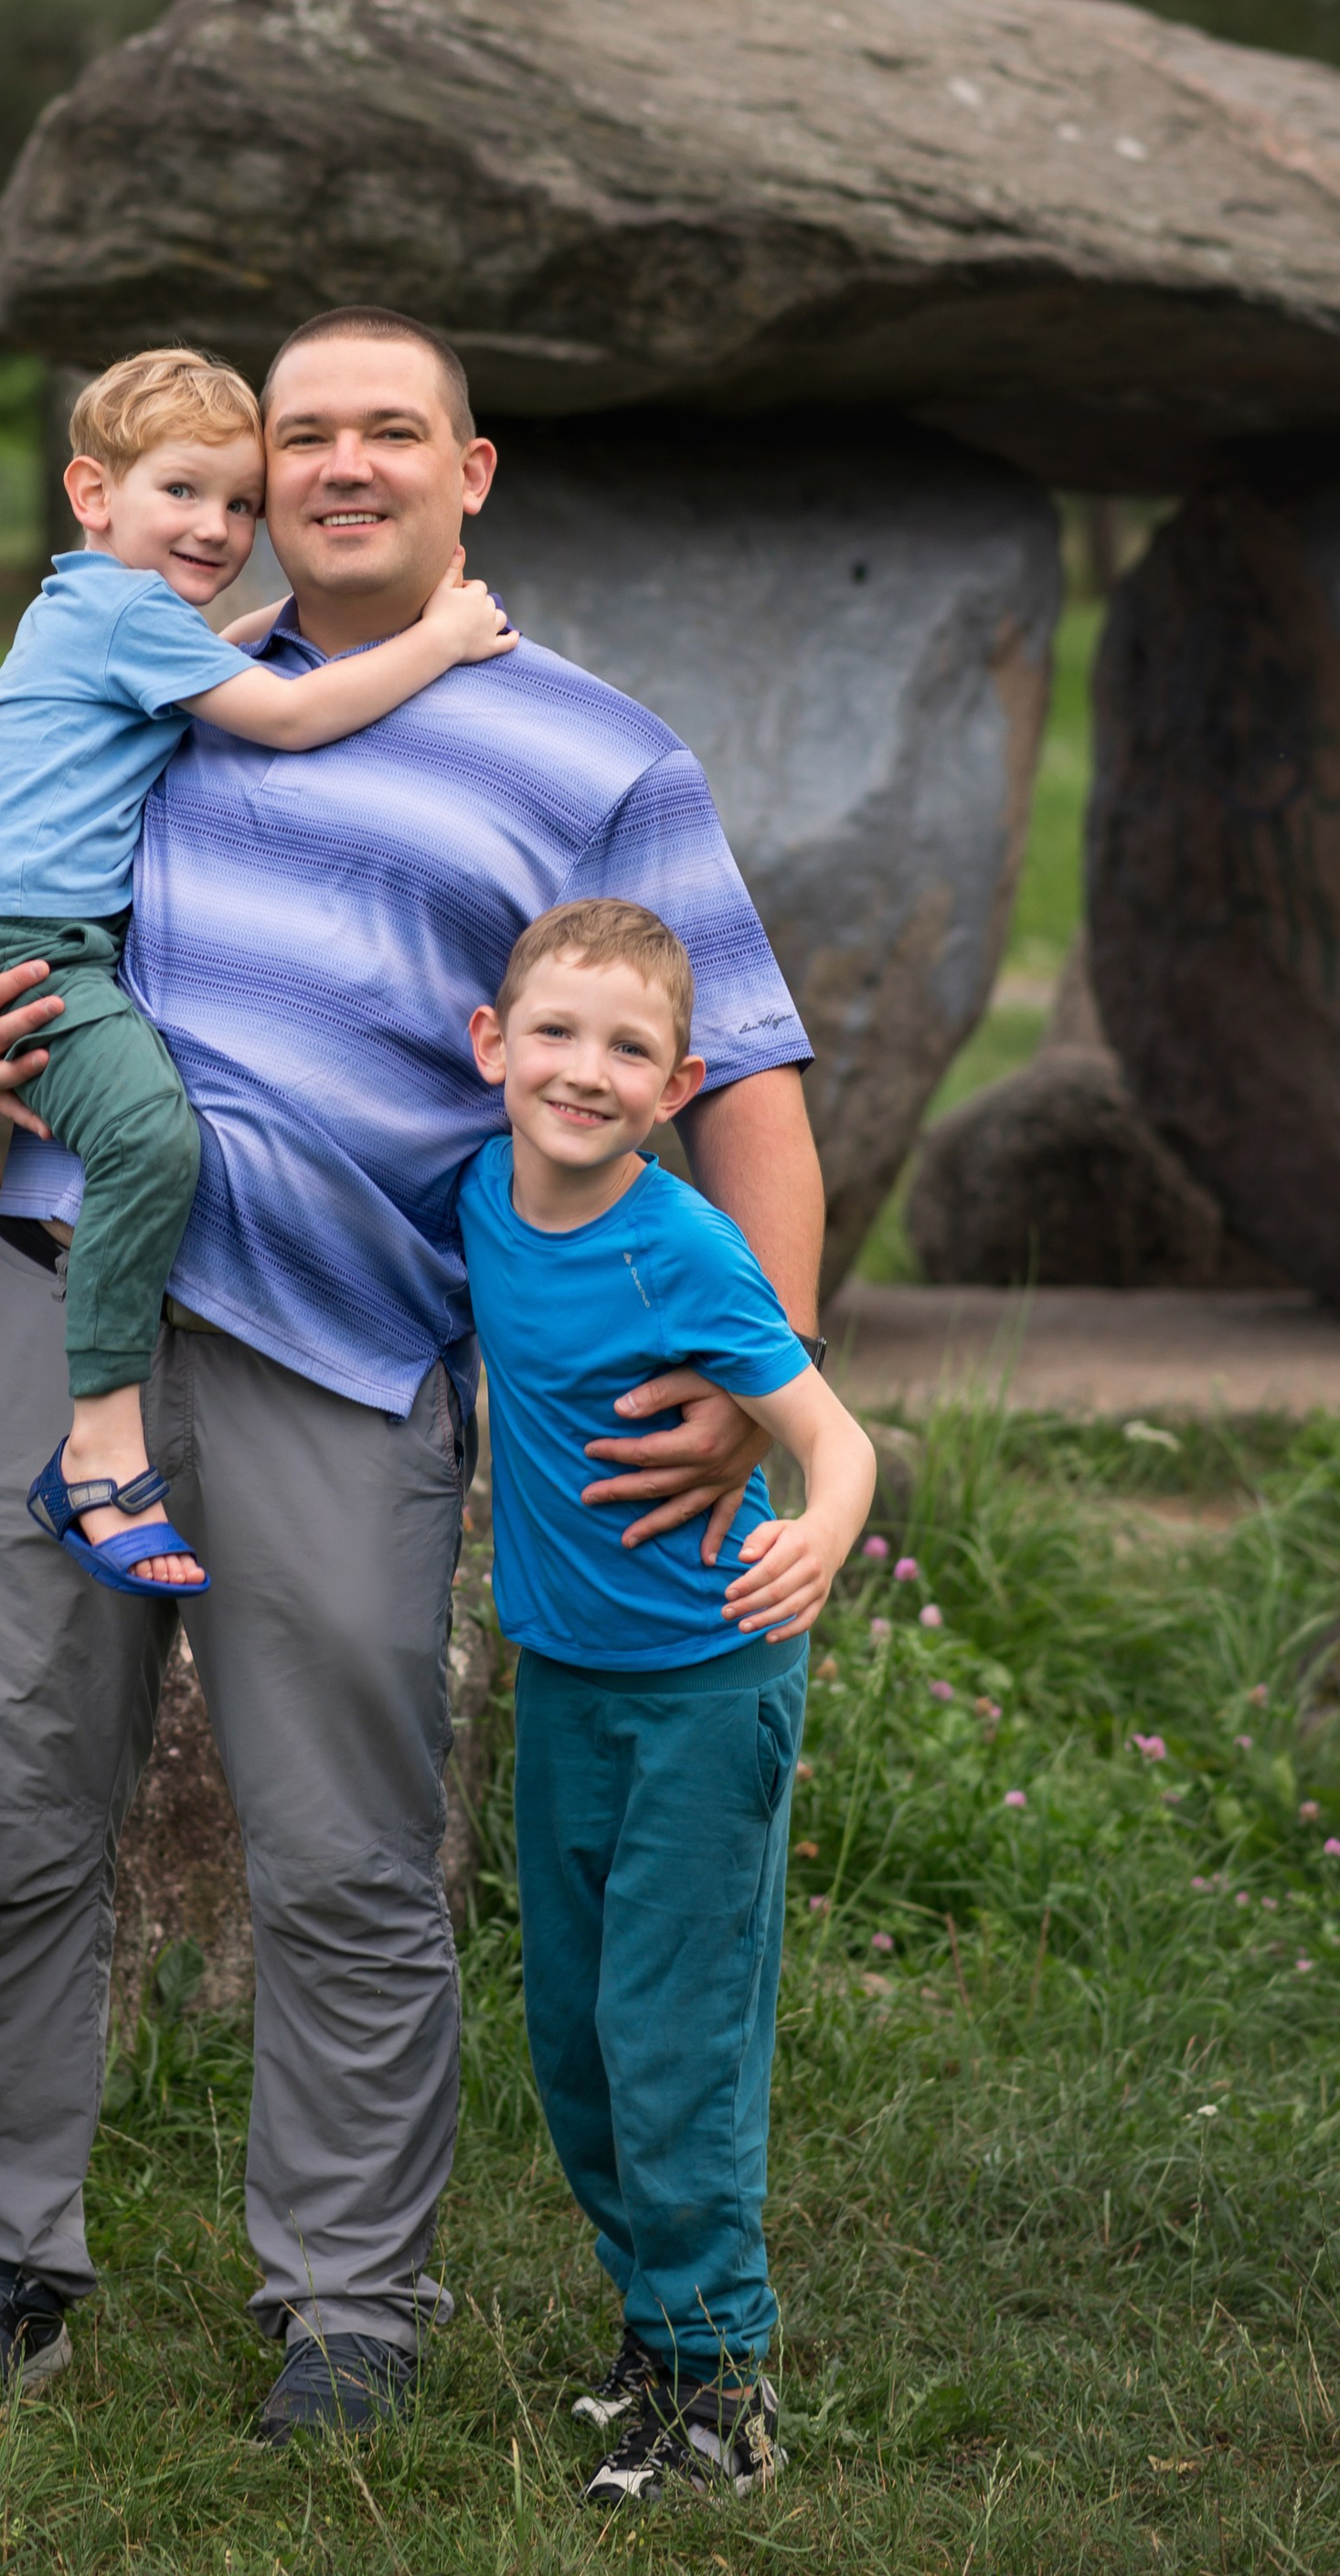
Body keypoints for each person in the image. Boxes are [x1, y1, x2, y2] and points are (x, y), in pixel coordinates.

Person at [0, 305, 829, 2441]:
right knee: (17, 1797)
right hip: (59, 1292)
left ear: (468, 472)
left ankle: (345, 2302)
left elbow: (743, 1078)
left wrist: (761, 1387)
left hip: (344, 1342)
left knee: (343, 1851)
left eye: (385, 431)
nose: (333, 465)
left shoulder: (595, 752)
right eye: (296, 432)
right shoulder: (145, 661)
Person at [0, 344, 513, 1595]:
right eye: (183, 492)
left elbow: (219, 673)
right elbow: (290, 716)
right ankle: (100, 1447)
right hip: (32, 949)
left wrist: (262, 631)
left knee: (128, 1136)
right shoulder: (131, 617)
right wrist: (443, 636)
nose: (220, 526)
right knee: (151, 1145)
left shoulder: (91, 608)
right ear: (93, 492)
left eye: (242, 504)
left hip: (11, 934)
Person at [458, 896, 875, 2506]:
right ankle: (658, 2325)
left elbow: (836, 1442)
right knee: (571, 2032)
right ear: (492, 1048)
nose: (584, 1069)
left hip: (709, 1683)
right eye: (553, 1033)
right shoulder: (479, 1194)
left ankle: (723, 2390)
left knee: (671, 2029)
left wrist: (823, 1534)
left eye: (628, 1049)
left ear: (677, 1080)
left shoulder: (683, 1245)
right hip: (567, 1678)